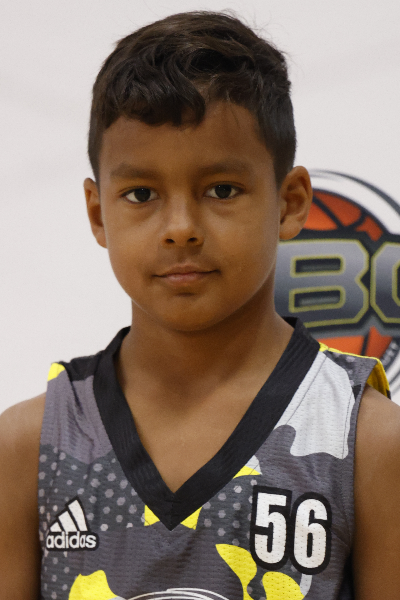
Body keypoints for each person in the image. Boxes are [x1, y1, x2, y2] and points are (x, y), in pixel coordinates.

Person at [1, 11, 400, 600]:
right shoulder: (29, 445)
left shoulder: (369, 441)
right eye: (142, 193)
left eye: (222, 189)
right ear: (98, 213)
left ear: (290, 203)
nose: (181, 227)